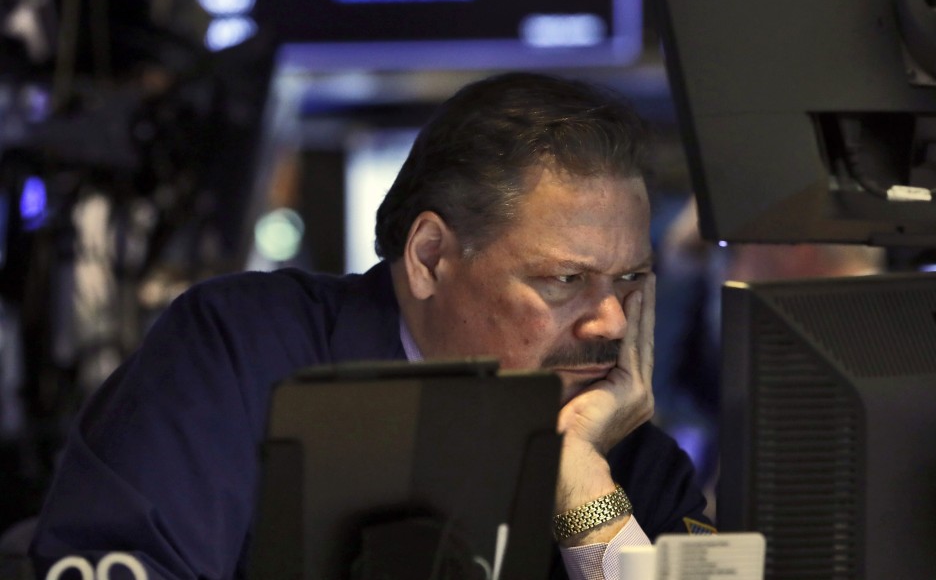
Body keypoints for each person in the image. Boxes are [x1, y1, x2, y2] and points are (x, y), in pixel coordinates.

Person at [29, 72, 711, 580]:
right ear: (429, 258)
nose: (613, 320)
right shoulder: (242, 352)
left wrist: (583, 491)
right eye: (565, 280)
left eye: (630, 279)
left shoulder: (623, 453)